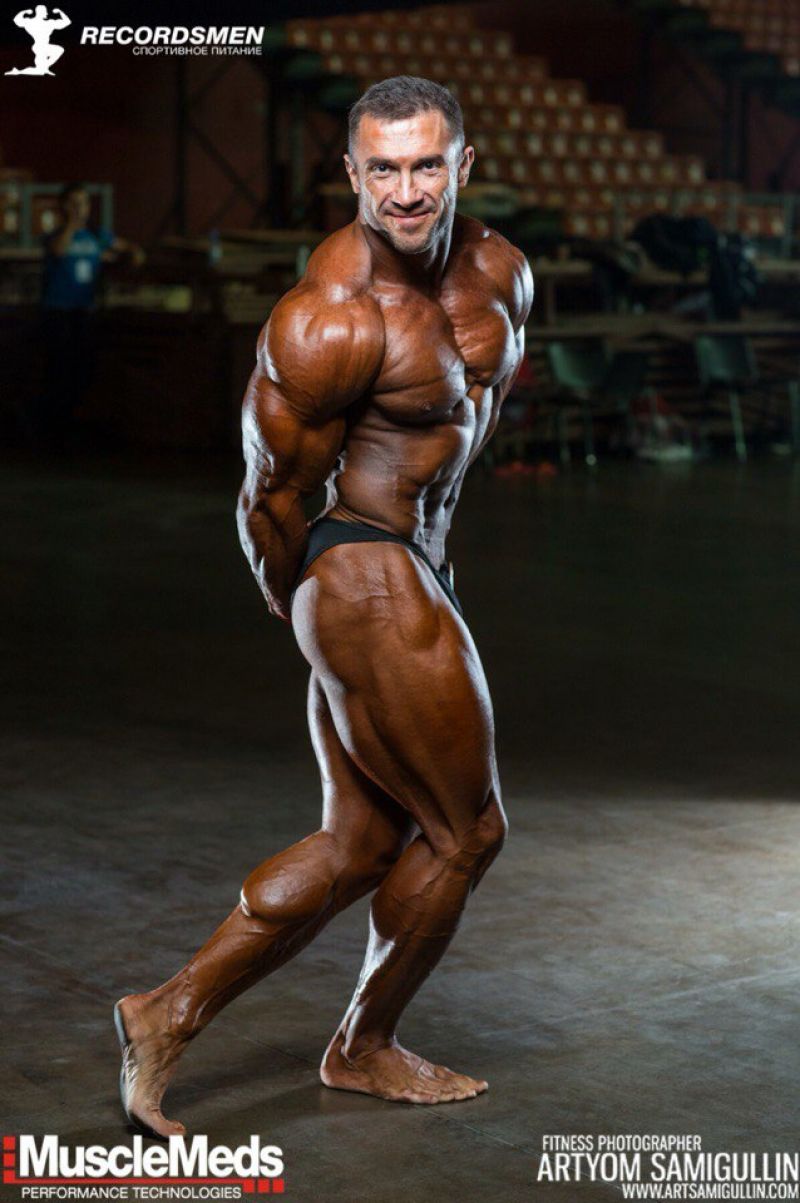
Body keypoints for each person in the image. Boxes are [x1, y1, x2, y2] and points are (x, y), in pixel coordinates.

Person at [114, 74, 533, 1138]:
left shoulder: (500, 271)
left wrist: (418, 572)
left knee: (360, 841)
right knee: (467, 830)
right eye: (382, 169)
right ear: (351, 172)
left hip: (412, 568)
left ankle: (165, 1013)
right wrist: (313, 604)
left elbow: (464, 431)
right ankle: (364, 1045)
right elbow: (268, 497)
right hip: (358, 569)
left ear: (463, 165)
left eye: (425, 165)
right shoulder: (328, 317)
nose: (405, 190)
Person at [33, 182, 144, 447]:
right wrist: (71, 225)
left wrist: (133, 256)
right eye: (72, 203)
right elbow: (58, 250)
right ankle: (52, 430)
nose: (78, 208)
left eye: (82, 203)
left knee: (83, 368)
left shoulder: (97, 235)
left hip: (84, 311)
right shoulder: (55, 235)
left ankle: (75, 424)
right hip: (59, 311)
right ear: (63, 207)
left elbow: (126, 248)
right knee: (59, 369)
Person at [5, 5, 70, 76]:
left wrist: (25, 12)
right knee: (58, 51)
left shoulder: (47, 23)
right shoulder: (36, 22)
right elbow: (16, 20)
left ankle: (44, 67)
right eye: (45, 11)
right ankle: (20, 71)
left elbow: (17, 20)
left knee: (57, 52)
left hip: (42, 46)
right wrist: (60, 12)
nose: (47, 13)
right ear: (40, 12)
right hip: (40, 47)